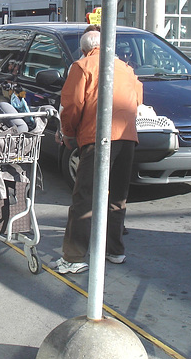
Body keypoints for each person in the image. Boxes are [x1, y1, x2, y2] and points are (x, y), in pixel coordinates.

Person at [52, 30, 143, 274]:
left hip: (98, 136)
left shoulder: (82, 66)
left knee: (85, 197)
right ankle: (115, 250)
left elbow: (72, 105)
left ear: (83, 49)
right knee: (117, 197)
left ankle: (74, 257)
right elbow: (138, 99)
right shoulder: (124, 67)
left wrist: (67, 133)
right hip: (127, 136)